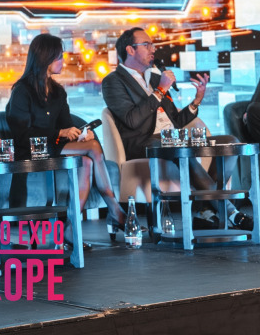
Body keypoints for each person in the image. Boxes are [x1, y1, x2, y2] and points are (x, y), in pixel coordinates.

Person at [102, 26, 252, 230]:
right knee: (181, 146)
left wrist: (196, 101)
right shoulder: (113, 82)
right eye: (147, 45)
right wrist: (160, 90)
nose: (153, 49)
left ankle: (204, 210)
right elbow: (132, 120)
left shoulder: (155, 78)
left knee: (229, 142)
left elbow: (175, 121)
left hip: (172, 138)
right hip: (144, 143)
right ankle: (230, 212)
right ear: (130, 50)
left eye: (153, 44)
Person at [6, 33, 127, 246]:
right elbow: (21, 134)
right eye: (59, 56)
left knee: (87, 160)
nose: (64, 61)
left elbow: (66, 125)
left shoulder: (58, 92)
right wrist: (59, 134)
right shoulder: (22, 91)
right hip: (31, 150)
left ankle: (71, 226)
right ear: (45, 57)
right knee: (93, 149)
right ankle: (114, 209)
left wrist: (80, 135)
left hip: (55, 147)